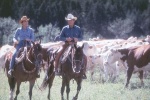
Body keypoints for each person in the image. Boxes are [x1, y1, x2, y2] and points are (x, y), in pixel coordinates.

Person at [54, 13, 87, 79]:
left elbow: (81, 37)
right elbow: (60, 37)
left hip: (75, 45)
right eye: (68, 20)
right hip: (66, 45)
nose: (70, 21)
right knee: (58, 54)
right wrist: (66, 39)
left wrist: (77, 39)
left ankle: (83, 72)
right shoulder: (64, 28)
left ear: (74, 21)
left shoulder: (78, 28)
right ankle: (57, 69)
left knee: (84, 56)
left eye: (71, 20)